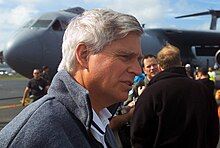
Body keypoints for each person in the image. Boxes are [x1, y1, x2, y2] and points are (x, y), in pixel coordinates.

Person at [0, 8, 143, 147]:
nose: (138, 70)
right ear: (84, 55)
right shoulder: (38, 134)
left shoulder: (99, 119)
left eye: (138, 60)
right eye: (125, 57)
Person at [131, 43, 219, 148]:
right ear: (180, 63)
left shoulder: (150, 94)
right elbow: (213, 129)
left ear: (159, 67)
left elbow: (138, 134)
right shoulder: (202, 90)